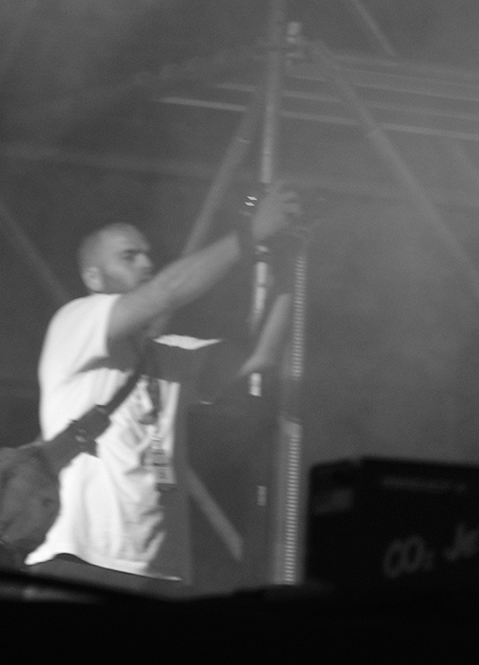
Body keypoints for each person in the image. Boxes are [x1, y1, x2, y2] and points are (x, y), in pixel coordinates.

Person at [27, 185, 303, 584]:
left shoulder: (168, 355)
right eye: (129, 256)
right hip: (80, 562)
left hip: (161, 573)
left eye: (147, 254)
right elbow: (164, 293)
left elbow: (259, 355)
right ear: (93, 277)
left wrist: (289, 267)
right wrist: (251, 232)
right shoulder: (74, 322)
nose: (147, 263)